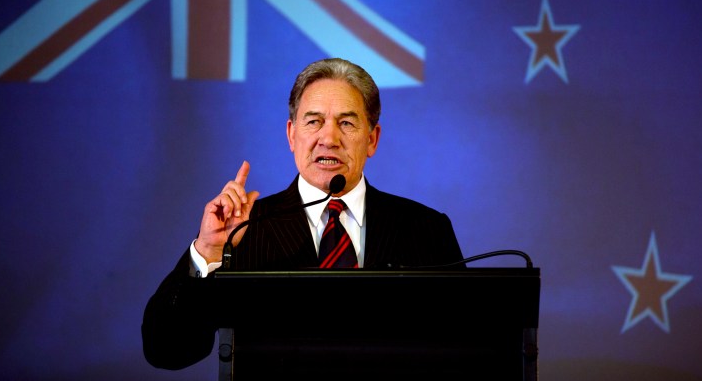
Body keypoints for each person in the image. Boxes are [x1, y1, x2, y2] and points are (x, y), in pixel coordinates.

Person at [142, 57, 465, 371]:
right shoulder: (246, 228)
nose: (329, 138)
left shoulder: (425, 228)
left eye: (347, 123)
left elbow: (463, 349)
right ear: (291, 135)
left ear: (372, 139)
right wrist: (209, 251)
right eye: (313, 121)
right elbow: (168, 352)